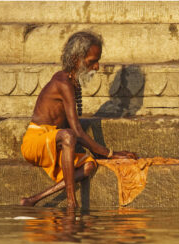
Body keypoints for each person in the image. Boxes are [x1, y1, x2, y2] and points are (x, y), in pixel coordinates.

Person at [20, 31, 138, 208]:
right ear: (77, 59)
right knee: (68, 136)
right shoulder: (63, 82)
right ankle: (71, 203)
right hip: (35, 142)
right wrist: (110, 154)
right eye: (92, 62)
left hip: (54, 142)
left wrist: (104, 154)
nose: (97, 67)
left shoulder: (72, 83)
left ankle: (33, 199)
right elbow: (75, 131)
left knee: (89, 165)